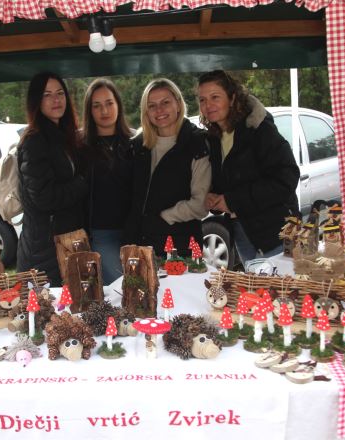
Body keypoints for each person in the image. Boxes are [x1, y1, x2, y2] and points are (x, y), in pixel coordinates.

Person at [197, 70, 300, 265]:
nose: (208, 105)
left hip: (277, 232)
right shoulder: (214, 138)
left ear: (232, 98)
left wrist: (232, 201)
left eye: (215, 97)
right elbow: (230, 181)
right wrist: (214, 197)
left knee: (281, 284)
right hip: (243, 232)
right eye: (202, 100)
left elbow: (287, 179)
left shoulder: (259, 129)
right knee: (253, 284)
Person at [124, 78, 211, 257]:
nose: (159, 110)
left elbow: (201, 204)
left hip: (180, 246)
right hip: (137, 245)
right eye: (152, 106)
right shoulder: (137, 146)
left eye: (165, 102)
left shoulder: (197, 142)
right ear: (146, 112)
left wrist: (164, 217)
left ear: (178, 104)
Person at [16, 72, 87, 286]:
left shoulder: (63, 136)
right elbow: (44, 198)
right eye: (47, 95)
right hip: (44, 249)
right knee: (51, 305)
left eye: (60, 93)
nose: (56, 100)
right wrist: (82, 183)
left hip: (64, 242)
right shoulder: (34, 141)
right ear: (36, 101)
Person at [80, 78, 134, 284]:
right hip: (101, 234)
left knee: (143, 286)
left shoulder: (135, 143)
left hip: (135, 232)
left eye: (109, 103)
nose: (104, 111)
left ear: (118, 104)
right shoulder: (81, 147)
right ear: (89, 111)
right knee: (124, 286)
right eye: (97, 105)